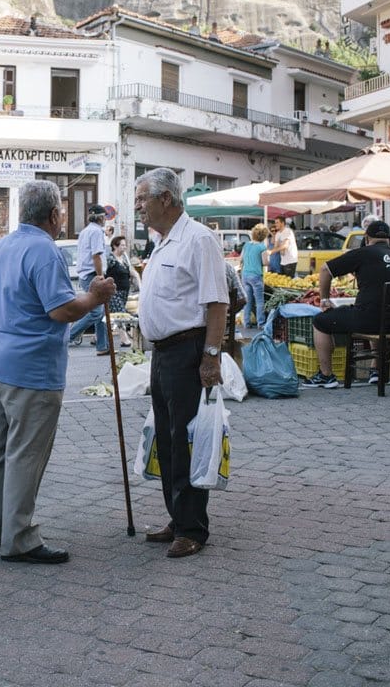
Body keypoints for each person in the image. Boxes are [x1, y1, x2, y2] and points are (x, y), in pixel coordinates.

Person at [0, 180, 115, 564]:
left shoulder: (4, 244)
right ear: (53, 215)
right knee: (25, 454)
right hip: (30, 369)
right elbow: (61, 310)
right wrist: (95, 297)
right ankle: (19, 538)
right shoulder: (43, 250)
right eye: (61, 212)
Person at [135, 168, 228, 559]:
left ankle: (193, 528)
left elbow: (217, 303)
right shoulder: (162, 242)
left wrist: (210, 357)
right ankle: (177, 516)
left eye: (142, 199)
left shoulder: (198, 239)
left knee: (186, 441)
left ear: (166, 200)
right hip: (162, 354)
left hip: (187, 351)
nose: (138, 207)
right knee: (168, 440)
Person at [300, 221, 390, 389]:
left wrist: (324, 300)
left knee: (320, 321)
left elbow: (325, 270)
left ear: (367, 238)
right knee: (377, 311)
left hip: (370, 321)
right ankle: (376, 370)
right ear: (389, 238)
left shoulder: (364, 252)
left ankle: (326, 375)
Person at [68, 204, 110, 355]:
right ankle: (68, 337)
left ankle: (103, 346)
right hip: (92, 274)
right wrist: (101, 277)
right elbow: (96, 255)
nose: (105, 220)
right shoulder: (96, 232)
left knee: (101, 312)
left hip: (86, 274)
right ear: (100, 218)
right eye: (104, 217)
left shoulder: (86, 231)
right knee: (96, 313)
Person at [105, 235, 139, 347]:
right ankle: (125, 340)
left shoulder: (125, 258)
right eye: (122, 245)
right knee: (120, 315)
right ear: (115, 246)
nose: (124, 247)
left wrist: (138, 281)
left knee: (114, 315)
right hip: (114, 292)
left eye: (125, 245)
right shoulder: (110, 258)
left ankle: (97, 337)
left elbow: (131, 272)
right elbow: (104, 272)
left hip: (124, 292)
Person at [241, 223, 270, 328]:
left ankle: (246, 322)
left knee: (248, 300)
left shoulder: (246, 245)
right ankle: (261, 323)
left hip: (245, 275)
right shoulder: (262, 247)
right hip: (256, 276)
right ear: (263, 236)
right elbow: (265, 262)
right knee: (259, 301)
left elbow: (242, 259)